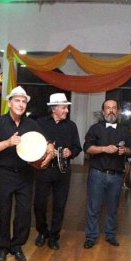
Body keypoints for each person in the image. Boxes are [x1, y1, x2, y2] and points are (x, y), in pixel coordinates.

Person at [0, 86, 50, 261]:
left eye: (24, 101)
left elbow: (45, 142)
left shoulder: (31, 124)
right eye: (17, 101)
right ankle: (3, 247)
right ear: (9, 103)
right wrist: (7, 142)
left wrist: (49, 151)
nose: (21, 104)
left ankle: (17, 245)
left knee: (23, 213)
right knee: (2, 211)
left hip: (25, 174)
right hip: (3, 174)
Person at [82, 98, 131, 249]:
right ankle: (91, 236)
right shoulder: (95, 128)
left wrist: (124, 150)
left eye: (114, 108)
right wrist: (104, 149)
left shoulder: (124, 130)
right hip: (97, 174)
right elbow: (87, 148)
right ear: (103, 111)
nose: (111, 111)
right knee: (94, 207)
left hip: (117, 176)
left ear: (117, 111)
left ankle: (110, 235)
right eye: (108, 108)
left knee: (113, 208)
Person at [34, 93, 82, 250]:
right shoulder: (40, 124)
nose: (67, 110)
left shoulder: (71, 126)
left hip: (63, 171)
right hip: (43, 169)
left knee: (59, 204)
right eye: (64, 107)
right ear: (54, 109)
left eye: (67, 107)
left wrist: (70, 152)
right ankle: (42, 232)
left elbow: (77, 147)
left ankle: (54, 236)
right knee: (40, 203)